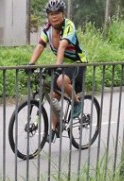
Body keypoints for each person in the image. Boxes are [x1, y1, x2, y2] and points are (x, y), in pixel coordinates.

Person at [28, 0, 89, 143]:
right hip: (63, 65)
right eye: (51, 14)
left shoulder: (69, 26)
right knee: (53, 97)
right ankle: (55, 129)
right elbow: (40, 46)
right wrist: (31, 63)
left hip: (77, 63)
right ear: (48, 16)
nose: (54, 16)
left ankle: (77, 102)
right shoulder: (47, 30)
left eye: (57, 13)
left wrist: (56, 65)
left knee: (61, 81)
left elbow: (62, 46)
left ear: (63, 14)